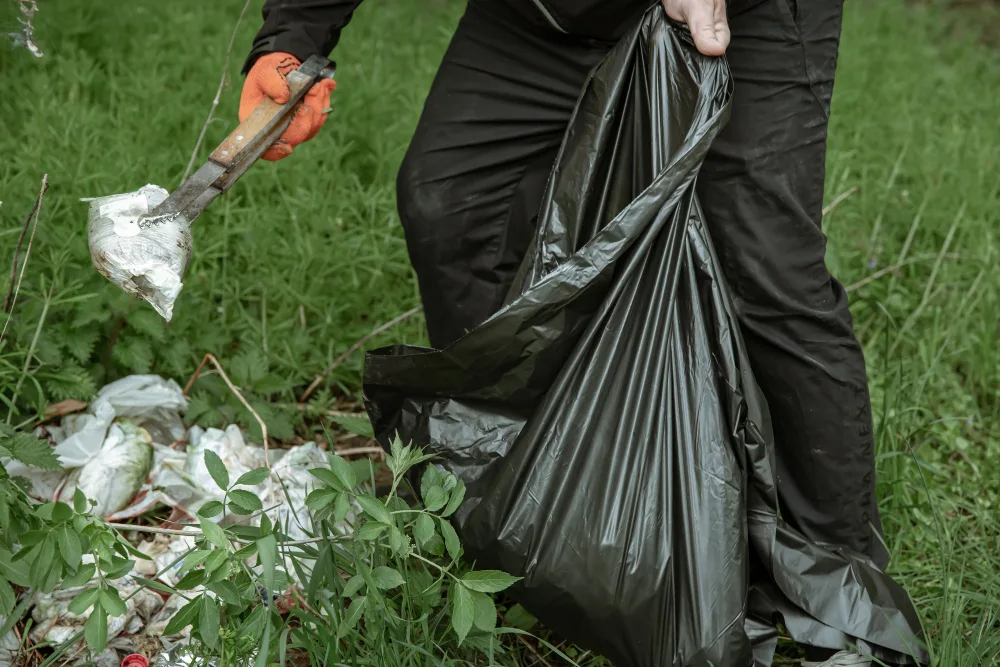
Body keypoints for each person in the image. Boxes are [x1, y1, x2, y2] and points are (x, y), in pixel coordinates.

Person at [239, 1, 885, 665]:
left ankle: (846, 609)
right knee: (449, 202)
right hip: (544, 12)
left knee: (766, 264)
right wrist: (292, 38)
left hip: (744, 13)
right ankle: (519, 513)